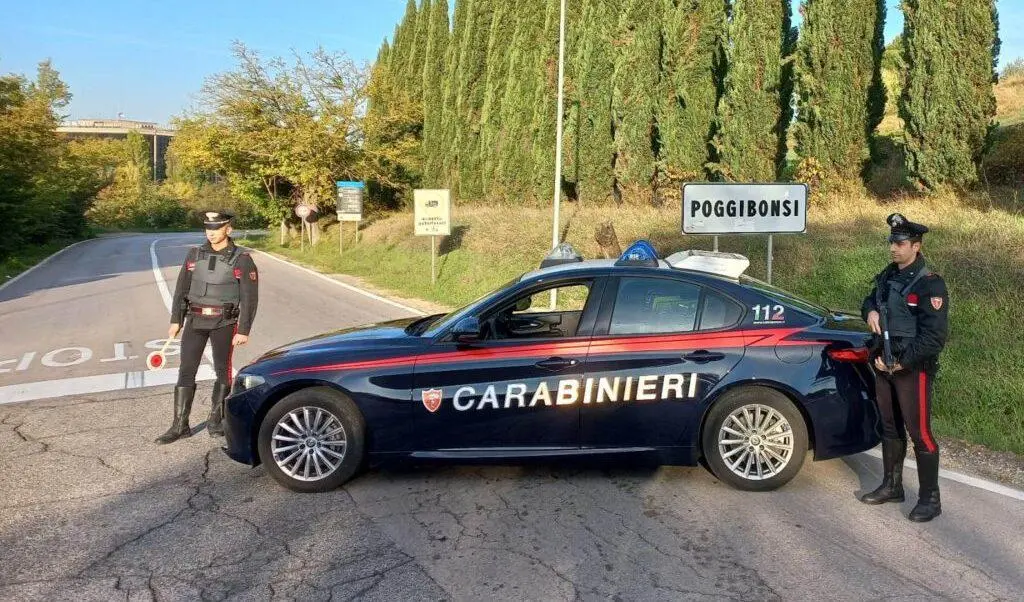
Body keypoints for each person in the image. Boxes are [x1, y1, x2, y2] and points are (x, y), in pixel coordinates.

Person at [859, 213, 949, 522]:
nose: (893, 249)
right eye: (892, 243)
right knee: (889, 427)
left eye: (900, 244)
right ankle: (892, 486)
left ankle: (930, 499)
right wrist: (870, 311)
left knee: (919, 433)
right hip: (884, 362)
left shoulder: (929, 284)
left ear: (916, 246)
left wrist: (901, 362)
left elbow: (934, 337)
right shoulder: (889, 275)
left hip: (912, 368)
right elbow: (870, 299)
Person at [155, 210, 259, 444]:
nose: (211, 233)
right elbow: (182, 290)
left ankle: (216, 419)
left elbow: (249, 297)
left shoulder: (242, 259)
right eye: (208, 229)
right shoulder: (194, 255)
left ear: (227, 230)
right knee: (186, 369)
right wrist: (176, 320)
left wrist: (243, 330)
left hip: (224, 321)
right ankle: (180, 425)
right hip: (195, 320)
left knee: (223, 370)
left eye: (216, 229)